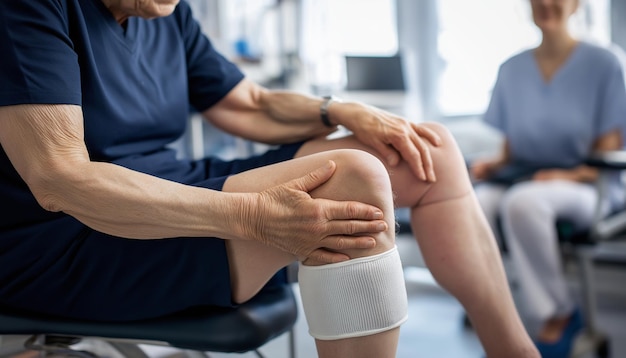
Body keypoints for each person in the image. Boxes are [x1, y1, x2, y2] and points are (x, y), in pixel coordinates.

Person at [0, 0, 539, 357]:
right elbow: (59, 179)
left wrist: (341, 111)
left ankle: (515, 350)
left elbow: (248, 103)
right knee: (352, 178)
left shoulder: (165, 13)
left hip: (174, 183)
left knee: (428, 148)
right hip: (71, 234)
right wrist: (253, 217)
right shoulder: (31, 7)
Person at [470, 0, 626, 357]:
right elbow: (512, 147)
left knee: (522, 203)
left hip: (590, 185)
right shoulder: (511, 69)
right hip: (525, 176)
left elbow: (609, 152)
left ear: (576, 4)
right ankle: (492, 311)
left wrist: (564, 175)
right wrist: (490, 166)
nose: (546, 3)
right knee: (476, 203)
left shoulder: (605, 63)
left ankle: (558, 312)